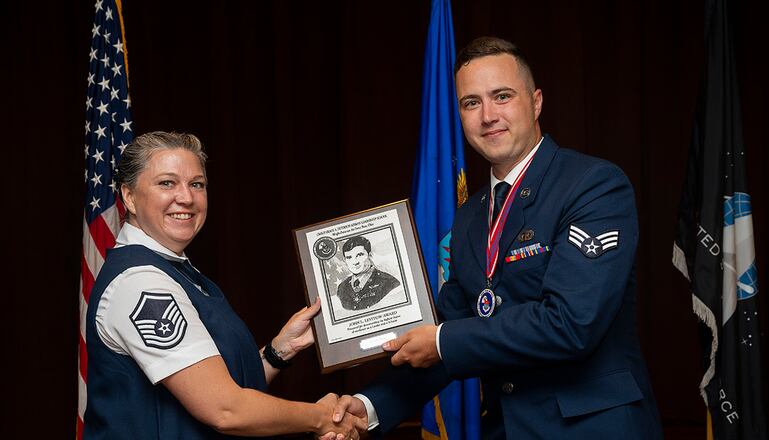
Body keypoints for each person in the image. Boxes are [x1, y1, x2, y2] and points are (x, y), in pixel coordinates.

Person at [329, 37, 663, 439]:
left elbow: (570, 324)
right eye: (472, 103)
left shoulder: (593, 185)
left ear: (536, 102)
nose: (488, 115)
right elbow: (448, 331)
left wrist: (441, 339)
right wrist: (369, 408)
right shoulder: (471, 216)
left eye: (501, 96)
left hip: (592, 428)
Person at [83, 131, 364, 439]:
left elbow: (220, 383)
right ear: (129, 196)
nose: (186, 198)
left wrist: (280, 349)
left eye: (196, 184)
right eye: (167, 183)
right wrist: (322, 417)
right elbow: (225, 409)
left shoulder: (179, 271)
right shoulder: (140, 282)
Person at [335, 236, 401, 311]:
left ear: (370, 255)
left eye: (359, 255)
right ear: (345, 260)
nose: (355, 262)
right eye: (349, 257)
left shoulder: (389, 282)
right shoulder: (342, 288)